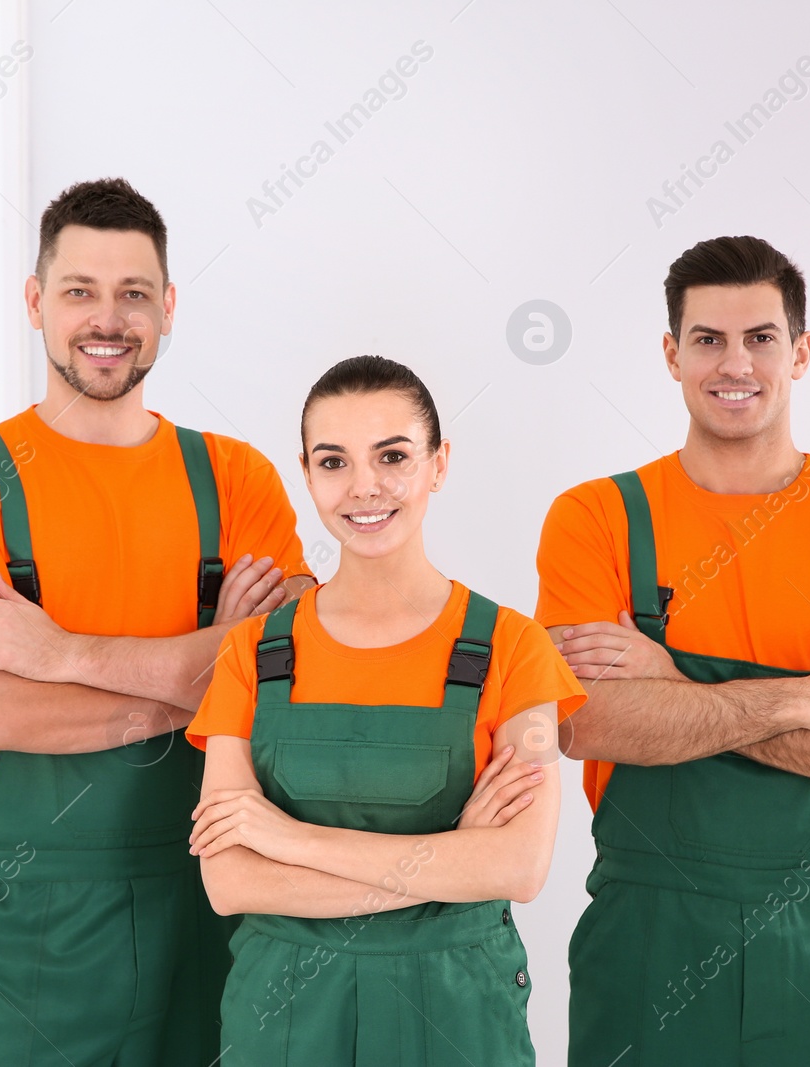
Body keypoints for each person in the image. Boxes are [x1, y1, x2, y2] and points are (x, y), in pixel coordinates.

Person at [0, 177, 314, 1066]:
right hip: (22, 919)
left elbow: (289, 677)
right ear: (34, 302)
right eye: (79, 290)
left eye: (134, 294)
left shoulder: (237, 478)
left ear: (167, 309)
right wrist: (205, 677)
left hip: (212, 890)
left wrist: (59, 653)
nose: (108, 317)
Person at [537, 236, 810, 1066]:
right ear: (671, 354)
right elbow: (588, 727)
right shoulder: (596, 519)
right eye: (708, 339)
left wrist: (671, 681)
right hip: (649, 939)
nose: (736, 363)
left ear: (800, 352)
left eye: (761, 337)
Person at [186, 355, 587, 1066]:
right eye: (334, 460)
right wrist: (448, 866)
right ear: (306, 473)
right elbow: (230, 880)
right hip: (284, 1019)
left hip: (457, 1017)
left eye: (393, 455)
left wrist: (290, 838)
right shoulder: (254, 652)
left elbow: (520, 865)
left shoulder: (511, 647)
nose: (365, 486)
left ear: (439, 464)